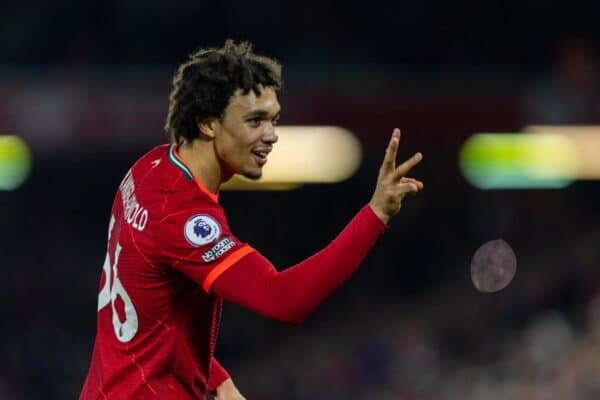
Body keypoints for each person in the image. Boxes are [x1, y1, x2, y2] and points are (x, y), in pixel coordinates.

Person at [79, 39, 423, 400]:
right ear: (208, 124)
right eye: (255, 120)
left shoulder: (149, 169)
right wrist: (376, 214)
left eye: (273, 119)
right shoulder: (181, 216)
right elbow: (284, 299)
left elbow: (155, 311)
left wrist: (216, 379)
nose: (271, 135)